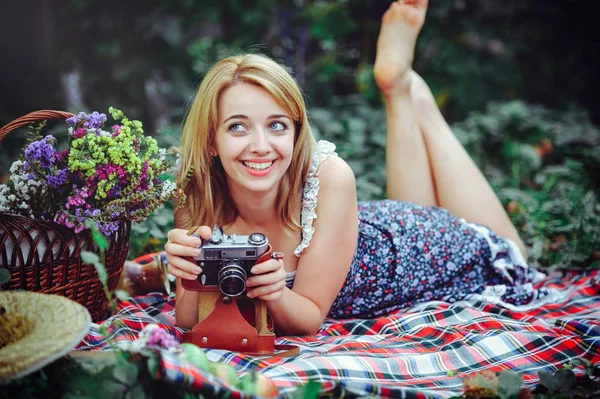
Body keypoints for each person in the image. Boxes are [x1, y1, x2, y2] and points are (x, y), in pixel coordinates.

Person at [165, 0, 547, 336]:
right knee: (415, 205)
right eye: (237, 126)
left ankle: (407, 90)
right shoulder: (197, 187)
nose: (261, 146)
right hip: (377, 227)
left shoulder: (330, 176)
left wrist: (276, 292)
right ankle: (400, 89)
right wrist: (187, 275)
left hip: (434, 248)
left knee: (513, 253)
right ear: (212, 140)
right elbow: (188, 318)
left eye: (277, 125)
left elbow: (309, 317)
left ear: (297, 134)